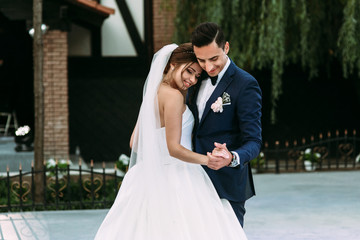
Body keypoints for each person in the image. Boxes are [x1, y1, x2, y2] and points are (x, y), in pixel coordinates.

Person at [94, 43, 248, 239]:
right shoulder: (174, 97)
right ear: (173, 64)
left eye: (197, 76)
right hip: (179, 175)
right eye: (189, 71)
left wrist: (157, 157)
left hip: (146, 175)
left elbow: (134, 142)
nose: (192, 80)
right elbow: (174, 148)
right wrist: (207, 160)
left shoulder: (154, 92)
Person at [187, 22, 262, 227]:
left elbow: (254, 141)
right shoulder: (193, 79)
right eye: (201, 60)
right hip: (192, 181)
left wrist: (232, 158)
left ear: (226, 47)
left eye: (214, 59)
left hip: (227, 183)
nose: (208, 67)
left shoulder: (245, 84)